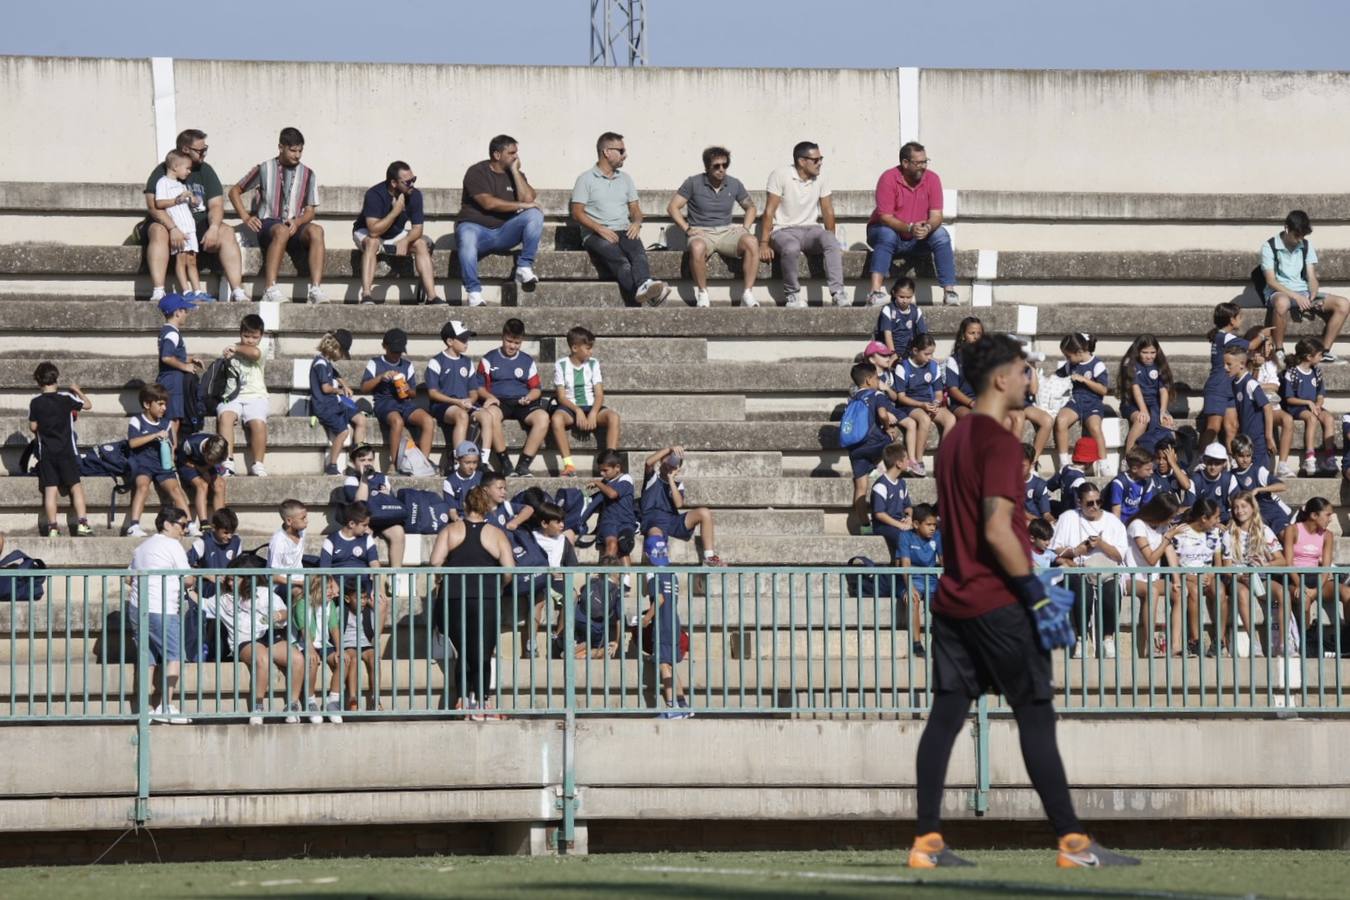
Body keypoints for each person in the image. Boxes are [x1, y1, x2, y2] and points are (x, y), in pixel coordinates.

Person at [909, 332, 1137, 869]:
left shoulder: (955, 440)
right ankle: (1073, 843)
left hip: (953, 602)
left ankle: (926, 843)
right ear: (999, 377)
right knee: (1035, 714)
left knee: (944, 716)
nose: (1030, 379)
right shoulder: (991, 442)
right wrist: (1034, 595)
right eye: (1024, 370)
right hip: (997, 603)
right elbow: (996, 528)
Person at [205, 554, 324, 725]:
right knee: (262, 659)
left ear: (247, 579)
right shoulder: (224, 599)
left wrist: (278, 615)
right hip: (245, 640)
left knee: (298, 659)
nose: (230, 583)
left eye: (234, 579)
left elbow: (285, 613)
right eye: (229, 580)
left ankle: (292, 705)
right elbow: (202, 603)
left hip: (268, 637)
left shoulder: (265, 592)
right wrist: (190, 587)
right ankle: (258, 706)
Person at [428, 485, 516, 717]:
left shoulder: (451, 530)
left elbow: (435, 562)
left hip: (455, 596)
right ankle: (483, 700)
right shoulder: (497, 534)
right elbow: (509, 570)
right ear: (487, 506)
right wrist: (499, 586)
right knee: (483, 651)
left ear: (465, 505)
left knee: (464, 651)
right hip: (485, 596)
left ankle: (462, 698)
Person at [138, 128, 248, 304]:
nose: (204, 153)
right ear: (185, 149)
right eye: (200, 150)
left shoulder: (206, 170)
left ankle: (237, 291)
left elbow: (216, 205)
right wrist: (172, 228)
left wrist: (213, 228)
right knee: (158, 231)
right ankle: (158, 290)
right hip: (168, 225)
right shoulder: (162, 171)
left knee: (226, 232)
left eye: (206, 149)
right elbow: (153, 206)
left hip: (195, 225)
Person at [229, 126, 327, 304]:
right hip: (269, 224)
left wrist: (298, 221)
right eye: (293, 150)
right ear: (281, 147)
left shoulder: (308, 174)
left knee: (317, 231)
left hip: (295, 225)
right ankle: (270, 288)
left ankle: (316, 289)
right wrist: (245, 216)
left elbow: (310, 211)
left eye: (300, 150)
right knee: (281, 230)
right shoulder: (264, 168)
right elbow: (234, 191)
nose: (297, 155)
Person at [570, 132, 669, 306]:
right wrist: (599, 228)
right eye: (621, 150)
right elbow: (577, 213)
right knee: (620, 261)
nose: (625, 155)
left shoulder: (626, 179)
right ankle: (652, 294)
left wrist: (637, 223)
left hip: (624, 228)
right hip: (596, 233)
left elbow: (635, 210)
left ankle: (645, 286)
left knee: (638, 254)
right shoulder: (585, 179)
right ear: (607, 152)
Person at [866, 142, 958, 307]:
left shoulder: (933, 179)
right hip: (887, 232)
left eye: (925, 161)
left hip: (918, 237)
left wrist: (928, 227)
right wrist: (909, 228)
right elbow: (885, 217)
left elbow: (937, 215)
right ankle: (874, 293)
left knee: (941, 234)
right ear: (905, 163)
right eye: (918, 163)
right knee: (887, 235)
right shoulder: (888, 178)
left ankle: (949, 292)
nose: (923, 167)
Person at [455, 134, 543, 308]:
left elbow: (528, 200)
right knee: (467, 234)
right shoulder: (477, 172)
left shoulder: (515, 174)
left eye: (516, 152)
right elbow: (488, 203)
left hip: (504, 232)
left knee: (534, 214)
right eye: (511, 153)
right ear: (497, 155)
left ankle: (524, 267)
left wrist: (515, 172)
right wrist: (521, 205)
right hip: (476, 230)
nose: (516, 156)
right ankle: (474, 293)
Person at [667, 146, 760, 308]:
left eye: (725, 165)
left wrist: (745, 228)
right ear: (707, 167)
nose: (721, 169)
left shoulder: (734, 183)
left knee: (751, 241)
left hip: (726, 232)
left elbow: (751, 207)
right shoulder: (693, 183)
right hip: (702, 232)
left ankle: (747, 293)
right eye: (716, 166)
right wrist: (687, 228)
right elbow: (673, 207)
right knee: (696, 247)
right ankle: (703, 293)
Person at [127, 507, 195, 724]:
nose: (184, 530)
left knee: (146, 660)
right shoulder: (172, 545)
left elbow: (129, 578)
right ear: (167, 524)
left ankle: (144, 710)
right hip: (162, 607)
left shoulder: (142, 547)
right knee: (174, 656)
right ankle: (166, 707)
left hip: (138, 608)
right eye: (182, 525)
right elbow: (188, 579)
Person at [760, 141, 845, 308]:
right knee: (791, 247)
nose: (820, 163)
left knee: (830, 240)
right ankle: (793, 294)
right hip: (783, 231)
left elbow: (828, 210)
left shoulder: (822, 177)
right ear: (801, 161)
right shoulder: (780, 174)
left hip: (811, 230)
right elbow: (769, 211)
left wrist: (832, 242)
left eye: (821, 158)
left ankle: (838, 293)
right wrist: (763, 243)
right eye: (816, 160)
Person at [321, 501, 388, 712]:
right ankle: (352, 699)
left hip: (362, 594)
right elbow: (325, 569)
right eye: (364, 525)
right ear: (351, 523)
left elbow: (375, 565)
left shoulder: (366, 539)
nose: (367, 529)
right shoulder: (331, 541)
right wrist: (331, 583)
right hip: (341, 597)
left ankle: (375, 699)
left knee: (383, 603)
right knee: (350, 656)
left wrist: (379, 588)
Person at [1259, 210, 1349, 364]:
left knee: (1343, 304)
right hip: (1279, 292)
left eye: (1302, 236)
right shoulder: (1269, 246)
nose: (1299, 239)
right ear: (1287, 228)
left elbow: (1311, 277)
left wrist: (1312, 294)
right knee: (1282, 303)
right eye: (1297, 235)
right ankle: (1279, 350)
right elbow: (1271, 281)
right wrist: (1296, 296)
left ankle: (1323, 351)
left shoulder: (1305, 245)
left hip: (1302, 292)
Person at [1051, 482, 1128, 659]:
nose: (1095, 506)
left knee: (1111, 590)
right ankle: (1081, 639)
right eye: (1089, 503)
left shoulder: (1113, 522)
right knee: (1081, 588)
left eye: (1098, 502)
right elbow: (1055, 549)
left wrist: (1101, 544)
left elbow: (1119, 556)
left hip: (1107, 569)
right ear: (1079, 503)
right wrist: (1078, 550)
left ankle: (1108, 639)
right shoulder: (1068, 517)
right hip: (1077, 569)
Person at [353, 160, 441, 305]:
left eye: (413, 179)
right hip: (367, 231)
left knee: (420, 244)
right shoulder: (374, 194)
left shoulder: (415, 195)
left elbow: (418, 229)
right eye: (407, 182)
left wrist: (406, 241)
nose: (412, 184)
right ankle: (367, 294)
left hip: (395, 233)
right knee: (372, 242)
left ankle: (432, 296)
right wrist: (395, 212)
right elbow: (373, 231)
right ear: (394, 183)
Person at [477, 318, 549, 477]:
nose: (512, 346)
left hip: (522, 401)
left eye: (517, 343)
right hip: (499, 401)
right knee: (491, 415)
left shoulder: (527, 360)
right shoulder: (488, 359)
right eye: (509, 341)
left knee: (543, 418)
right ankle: (505, 464)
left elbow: (536, 389)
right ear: (503, 337)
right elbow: (479, 387)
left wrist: (529, 397)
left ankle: (524, 464)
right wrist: (489, 397)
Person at [28, 362, 92, 537]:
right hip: (66, 452)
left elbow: (33, 427)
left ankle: (53, 527)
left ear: (38, 381)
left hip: (47, 454)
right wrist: (77, 390)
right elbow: (87, 405)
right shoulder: (66, 399)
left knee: (50, 490)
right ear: (56, 378)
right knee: (75, 487)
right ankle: (82, 524)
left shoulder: (35, 403)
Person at [361, 327, 436, 474]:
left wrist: (407, 389)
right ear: (385, 346)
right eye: (394, 351)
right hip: (384, 402)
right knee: (398, 422)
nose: (396, 355)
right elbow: (364, 388)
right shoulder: (375, 363)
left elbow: (413, 393)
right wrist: (380, 377)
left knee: (428, 420)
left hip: (405, 402)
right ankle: (394, 463)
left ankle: (423, 462)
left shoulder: (407, 365)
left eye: (399, 352)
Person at [426, 320, 498, 471]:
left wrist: (469, 401)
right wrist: (457, 402)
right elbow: (433, 393)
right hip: (444, 405)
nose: (466, 342)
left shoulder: (467, 362)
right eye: (463, 339)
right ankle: (457, 461)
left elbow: (473, 391)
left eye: (467, 339)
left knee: (487, 416)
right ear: (450, 341)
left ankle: (483, 460)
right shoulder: (436, 361)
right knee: (461, 415)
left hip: (463, 403)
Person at [551, 326, 621, 476]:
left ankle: (611, 461)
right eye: (588, 348)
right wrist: (577, 410)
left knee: (613, 417)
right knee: (556, 419)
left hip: (591, 406)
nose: (591, 352)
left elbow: (599, 394)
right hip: (570, 408)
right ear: (575, 348)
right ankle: (568, 464)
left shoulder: (593, 363)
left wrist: (593, 413)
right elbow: (561, 397)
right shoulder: (561, 364)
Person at [124, 384, 191, 537]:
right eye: (160, 404)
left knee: (175, 490)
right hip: (142, 464)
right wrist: (154, 436)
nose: (164, 408)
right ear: (147, 404)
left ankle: (189, 525)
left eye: (165, 404)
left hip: (163, 465)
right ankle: (133, 526)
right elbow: (132, 443)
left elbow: (173, 445)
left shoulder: (167, 423)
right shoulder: (136, 420)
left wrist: (171, 450)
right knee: (142, 486)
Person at [1224, 491, 1285, 659]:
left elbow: (1282, 560)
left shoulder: (1264, 531)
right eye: (1235, 507)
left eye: (1243, 506)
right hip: (1238, 578)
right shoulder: (1229, 533)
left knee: (1282, 592)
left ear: (1252, 508)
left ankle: (1283, 643)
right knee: (1242, 593)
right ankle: (1254, 643)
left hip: (1261, 577)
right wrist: (1240, 576)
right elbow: (1226, 568)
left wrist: (1266, 564)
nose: (1239, 510)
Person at [1122, 493, 1183, 657]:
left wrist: (1176, 580)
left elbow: (1170, 553)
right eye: (1170, 516)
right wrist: (1166, 539)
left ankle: (1175, 645)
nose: (1171, 521)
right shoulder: (1137, 525)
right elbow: (1151, 559)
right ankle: (1150, 643)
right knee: (1152, 591)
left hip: (1153, 577)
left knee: (1180, 592)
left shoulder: (1162, 526)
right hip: (1131, 577)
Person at [640, 446, 724, 566]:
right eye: (668, 460)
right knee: (655, 536)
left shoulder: (677, 484)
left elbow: (679, 504)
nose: (670, 464)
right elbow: (648, 462)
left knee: (704, 512)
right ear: (660, 461)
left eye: (673, 462)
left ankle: (709, 557)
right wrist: (669, 449)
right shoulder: (652, 478)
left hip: (672, 520)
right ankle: (659, 572)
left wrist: (670, 479)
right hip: (653, 520)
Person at [847, 363, 903, 528]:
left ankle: (865, 525)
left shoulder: (853, 398)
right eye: (877, 377)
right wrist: (888, 427)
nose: (879, 380)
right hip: (875, 443)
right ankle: (879, 466)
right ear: (868, 380)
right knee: (894, 440)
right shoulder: (877, 394)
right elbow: (882, 414)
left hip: (855, 447)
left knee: (861, 488)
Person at [642, 534, 692, 719]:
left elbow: (660, 599)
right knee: (671, 665)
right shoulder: (673, 574)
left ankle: (672, 709)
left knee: (664, 666)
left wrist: (646, 618)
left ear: (648, 554)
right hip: (674, 623)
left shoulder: (652, 573)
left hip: (662, 625)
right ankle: (683, 705)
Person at [216, 314, 270, 477]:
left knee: (258, 423)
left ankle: (258, 463)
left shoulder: (263, 347)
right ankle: (227, 461)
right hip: (232, 396)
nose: (250, 340)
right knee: (225, 417)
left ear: (261, 336)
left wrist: (237, 349)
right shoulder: (232, 349)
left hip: (256, 395)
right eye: (246, 336)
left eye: (255, 337)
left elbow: (254, 354)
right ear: (240, 333)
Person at [1170, 499, 1225, 657]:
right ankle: (1195, 640)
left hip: (1208, 575)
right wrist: (1191, 577)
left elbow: (1218, 563)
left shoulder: (1215, 533)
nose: (1218, 521)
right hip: (1186, 576)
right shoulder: (1180, 533)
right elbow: (1174, 564)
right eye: (1215, 517)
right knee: (1193, 591)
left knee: (1220, 592)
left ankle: (1219, 641)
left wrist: (1211, 575)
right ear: (1203, 518)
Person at [309, 329, 365, 476]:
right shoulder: (320, 364)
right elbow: (326, 388)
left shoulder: (326, 361)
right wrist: (339, 390)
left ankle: (359, 459)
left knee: (360, 419)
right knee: (343, 432)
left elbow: (335, 374)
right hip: (324, 407)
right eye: (342, 353)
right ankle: (332, 465)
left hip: (334, 403)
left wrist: (344, 384)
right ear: (335, 349)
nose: (341, 357)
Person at [343, 443, 407, 570]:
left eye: (370, 459)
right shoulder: (352, 480)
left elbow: (391, 502)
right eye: (362, 460)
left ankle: (396, 576)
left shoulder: (382, 478)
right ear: (353, 462)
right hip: (363, 521)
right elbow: (359, 504)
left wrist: (387, 495)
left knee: (398, 531)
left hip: (382, 519)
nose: (367, 463)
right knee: (363, 532)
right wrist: (364, 480)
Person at [1278, 337, 1337, 476]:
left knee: (1328, 418)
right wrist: (1307, 403)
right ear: (1309, 357)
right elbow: (1289, 398)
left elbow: (1320, 394)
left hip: (1312, 405)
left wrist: (1317, 404)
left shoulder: (1316, 372)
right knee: (1311, 419)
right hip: (1297, 407)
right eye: (1319, 355)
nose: (1322, 357)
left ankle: (1329, 457)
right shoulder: (1292, 372)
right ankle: (1310, 457)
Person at [152, 150, 206, 299]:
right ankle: (186, 291)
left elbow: (195, 206)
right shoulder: (163, 182)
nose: (189, 172)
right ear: (175, 166)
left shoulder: (182, 186)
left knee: (192, 260)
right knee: (181, 259)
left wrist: (194, 200)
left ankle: (198, 291)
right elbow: (159, 202)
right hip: (179, 228)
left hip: (190, 228)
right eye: (187, 168)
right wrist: (177, 200)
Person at [894, 334, 955, 466]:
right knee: (924, 419)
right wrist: (921, 405)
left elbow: (938, 393)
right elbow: (901, 397)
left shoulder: (933, 366)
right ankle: (918, 460)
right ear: (915, 351)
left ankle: (943, 459)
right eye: (927, 354)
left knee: (950, 419)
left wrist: (936, 402)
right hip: (910, 405)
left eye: (932, 354)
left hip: (928, 403)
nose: (930, 358)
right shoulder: (902, 367)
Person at [1284, 496, 1336, 647]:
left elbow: (1326, 567)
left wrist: (1316, 589)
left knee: (1347, 593)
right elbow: (1288, 564)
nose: (1330, 519)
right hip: (1295, 578)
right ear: (1314, 515)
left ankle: (1345, 639)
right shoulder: (1292, 530)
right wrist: (1302, 586)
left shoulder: (1328, 535)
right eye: (1327, 515)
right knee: (1304, 600)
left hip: (1317, 578)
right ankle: (1306, 642)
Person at [1052, 332, 1109, 471]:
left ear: (1079, 352)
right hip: (1075, 401)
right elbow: (1056, 376)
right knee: (1061, 421)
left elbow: (1103, 390)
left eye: (1068, 356)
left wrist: (1085, 380)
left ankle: (1103, 463)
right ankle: (1064, 462)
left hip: (1093, 403)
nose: (1067, 359)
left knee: (1095, 427)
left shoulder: (1097, 364)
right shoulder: (1070, 365)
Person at [1199, 303, 1250, 449]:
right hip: (1217, 387)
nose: (1241, 320)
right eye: (1239, 317)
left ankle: (1232, 461)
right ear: (1231, 320)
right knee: (1213, 427)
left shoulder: (1222, 336)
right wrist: (1262, 335)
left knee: (1233, 426)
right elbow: (1251, 345)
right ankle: (1201, 461)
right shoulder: (1224, 336)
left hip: (1229, 387)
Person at [155, 293, 203, 442]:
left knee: (173, 420)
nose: (186, 314)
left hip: (170, 380)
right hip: (172, 383)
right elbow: (166, 357)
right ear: (177, 312)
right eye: (184, 310)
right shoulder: (172, 334)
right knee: (172, 421)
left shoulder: (166, 331)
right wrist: (185, 366)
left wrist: (190, 359)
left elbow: (172, 355)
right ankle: (170, 457)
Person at [1117, 334, 1175, 453]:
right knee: (1142, 420)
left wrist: (1163, 411)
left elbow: (1163, 390)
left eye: (1152, 352)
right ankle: (1129, 458)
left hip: (1154, 404)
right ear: (1137, 351)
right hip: (1132, 403)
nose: (1149, 356)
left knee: (1165, 422)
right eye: (1145, 352)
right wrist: (1143, 410)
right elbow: (1135, 388)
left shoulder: (1159, 363)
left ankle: (1157, 460)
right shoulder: (1130, 363)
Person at [1223, 343, 1276, 473]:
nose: (1225, 368)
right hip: (1246, 441)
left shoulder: (1250, 383)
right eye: (1224, 364)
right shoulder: (1235, 383)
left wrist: (1269, 437)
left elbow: (1268, 408)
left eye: (1229, 364)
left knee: (1259, 476)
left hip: (1258, 442)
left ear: (1241, 364)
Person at [1229, 434, 1293, 539]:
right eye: (1241, 456)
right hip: (1252, 517)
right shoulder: (1231, 476)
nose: (1245, 460)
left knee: (1286, 536)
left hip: (1272, 513)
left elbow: (1282, 486)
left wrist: (1259, 489)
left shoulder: (1258, 470)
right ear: (1234, 455)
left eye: (1248, 456)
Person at [899, 504, 942, 659]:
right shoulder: (905, 536)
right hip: (912, 579)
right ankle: (917, 644)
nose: (932, 528)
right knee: (913, 599)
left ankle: (938, 643)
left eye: (934, 525)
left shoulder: (937, 536)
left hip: (931, 581)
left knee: (942, 604)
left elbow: (944, 563)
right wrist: (909, 587)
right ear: (916, 524)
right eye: (928, 525)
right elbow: (905, 565)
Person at [589, 449, 639, 565]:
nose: (602, 474)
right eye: (600, 470)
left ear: (617, 467)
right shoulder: (606, 481)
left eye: (605, 470)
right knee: (611, 544)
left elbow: (613, 494)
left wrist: (598, 484)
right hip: (609, 522)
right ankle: (607, 580)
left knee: (624, 549)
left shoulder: (626, 479)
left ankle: (625, 581)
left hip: (625, 521)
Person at [175, 432, 228, 533]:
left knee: (220, 484)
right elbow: (181, 460)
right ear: (204, 450)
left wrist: (209, 467)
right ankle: (204, 523)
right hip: (188, 464)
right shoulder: (190, 444)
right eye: (211, 460)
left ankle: (220, 522)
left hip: (206, 465)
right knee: (202, 484)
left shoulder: (221, 447)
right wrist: (202, 470)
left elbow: (216, 463)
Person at [871, 443, 914, 564]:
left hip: (899, 523)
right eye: (906, 459)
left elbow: (908, 506)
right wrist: (899, 525)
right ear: (899, 463)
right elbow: (879, 514)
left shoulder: (901, 483)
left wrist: (909, 518)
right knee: (903, 537)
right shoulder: (881, 485)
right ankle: (903, 578)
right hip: (884, 526)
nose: (908, 461)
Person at [1104, 445, 1165, 526]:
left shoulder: (1147, 482)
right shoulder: (1119, 483)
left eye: (1152, 469)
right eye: (1147, 469)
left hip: (1136, 523)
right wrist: (1119, 531)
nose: (1151, 472)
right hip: (1121, 523)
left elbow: (1146, 508)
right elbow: (1116, 512)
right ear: (1134, 469)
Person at [266, 499, 310, 603]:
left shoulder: (302, 531)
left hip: (301, 581)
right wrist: (299, 582)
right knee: (298, 593)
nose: (307, 520)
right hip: (281, 586)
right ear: (289, 521)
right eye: (303, 518)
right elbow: (273, 576)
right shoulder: (278, 541)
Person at [1190, 442, 1239, 524]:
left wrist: (1231, 520)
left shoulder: (1229, 478)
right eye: (1209, 462)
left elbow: (1238, 503)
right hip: (1202, 522)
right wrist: (1213, 524)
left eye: (1217, 463)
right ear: (1204, 461)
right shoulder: (1195, 480)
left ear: (1224, 463)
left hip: (1224, 520)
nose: (1213, 467)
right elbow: (1190, 509)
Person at [944, 317, 981, 420]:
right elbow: (953, 390)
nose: (976, 337)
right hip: (961, 404)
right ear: (963, 335)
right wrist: (971, 403)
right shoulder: (954, 360)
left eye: (979, 333)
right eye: (972, 333)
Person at [443, 441, 485, 523]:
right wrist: (458, 520)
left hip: (481, 517)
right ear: (458, 460)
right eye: (467, 462)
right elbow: (452, 511)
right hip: (462, 519)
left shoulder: (482, 477)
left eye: (475, 462)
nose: (471, 466)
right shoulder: (450, 482)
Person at [1023, 443, 1054, 524]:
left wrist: (1051, 521)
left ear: (1032, 465)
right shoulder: (1008, 483)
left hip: (1035, 525)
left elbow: (1046, 514)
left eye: (1022, 466)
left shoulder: (1039, 485)